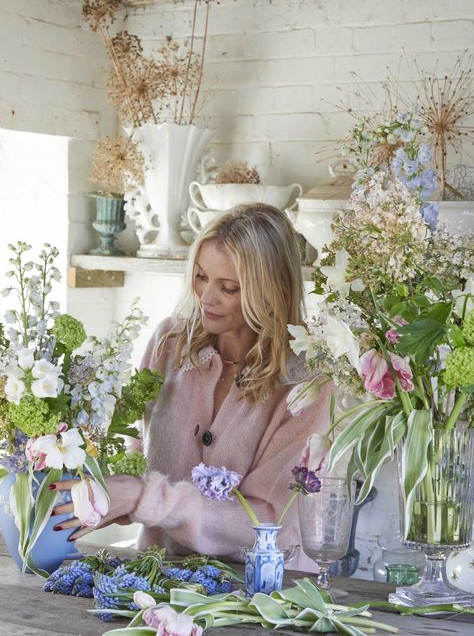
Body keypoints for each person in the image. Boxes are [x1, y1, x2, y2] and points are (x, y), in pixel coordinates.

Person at [52, 203, 331, 570]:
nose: (206, 297)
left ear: (271, 290)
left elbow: (268, 519)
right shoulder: (170, 343)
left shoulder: (305, 379)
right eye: (200, 277)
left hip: (262, 595)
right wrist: (106, 489)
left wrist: (143, 498)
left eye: (228, 287)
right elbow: (137, 454)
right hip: (156, 576)